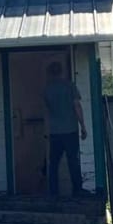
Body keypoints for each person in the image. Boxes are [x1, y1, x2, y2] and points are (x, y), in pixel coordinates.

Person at [42, 60, 87, 197]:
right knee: (73, 161)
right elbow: (77, 106)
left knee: (54, 163)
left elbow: (46, 112)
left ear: (50, 73)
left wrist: (46, 130)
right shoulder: (70, 86)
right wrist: (83, 126)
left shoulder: (47, 90)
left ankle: (53, 192)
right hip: (70, 130)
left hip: (55, 131)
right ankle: (77, 190)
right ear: (62, 71)